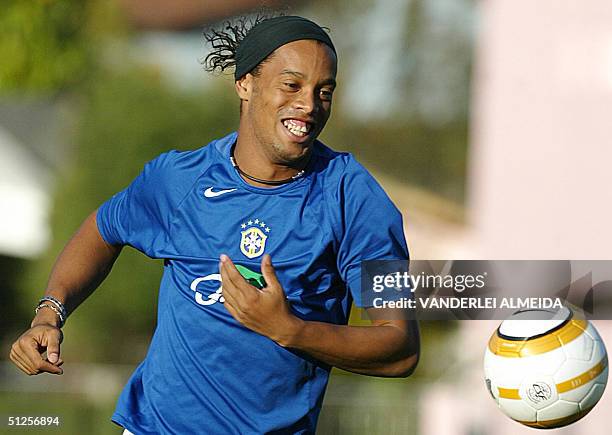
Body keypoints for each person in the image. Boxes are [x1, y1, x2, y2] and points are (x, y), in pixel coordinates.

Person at [9, 14, 420, 434]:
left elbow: (400, 347)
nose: (309, 105)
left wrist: (289, 329)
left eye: (324, 92)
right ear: (245, 84)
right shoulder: (178, 180)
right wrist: (49, 314)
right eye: (292, 85)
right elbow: (102, 228)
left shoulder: (355, 199)